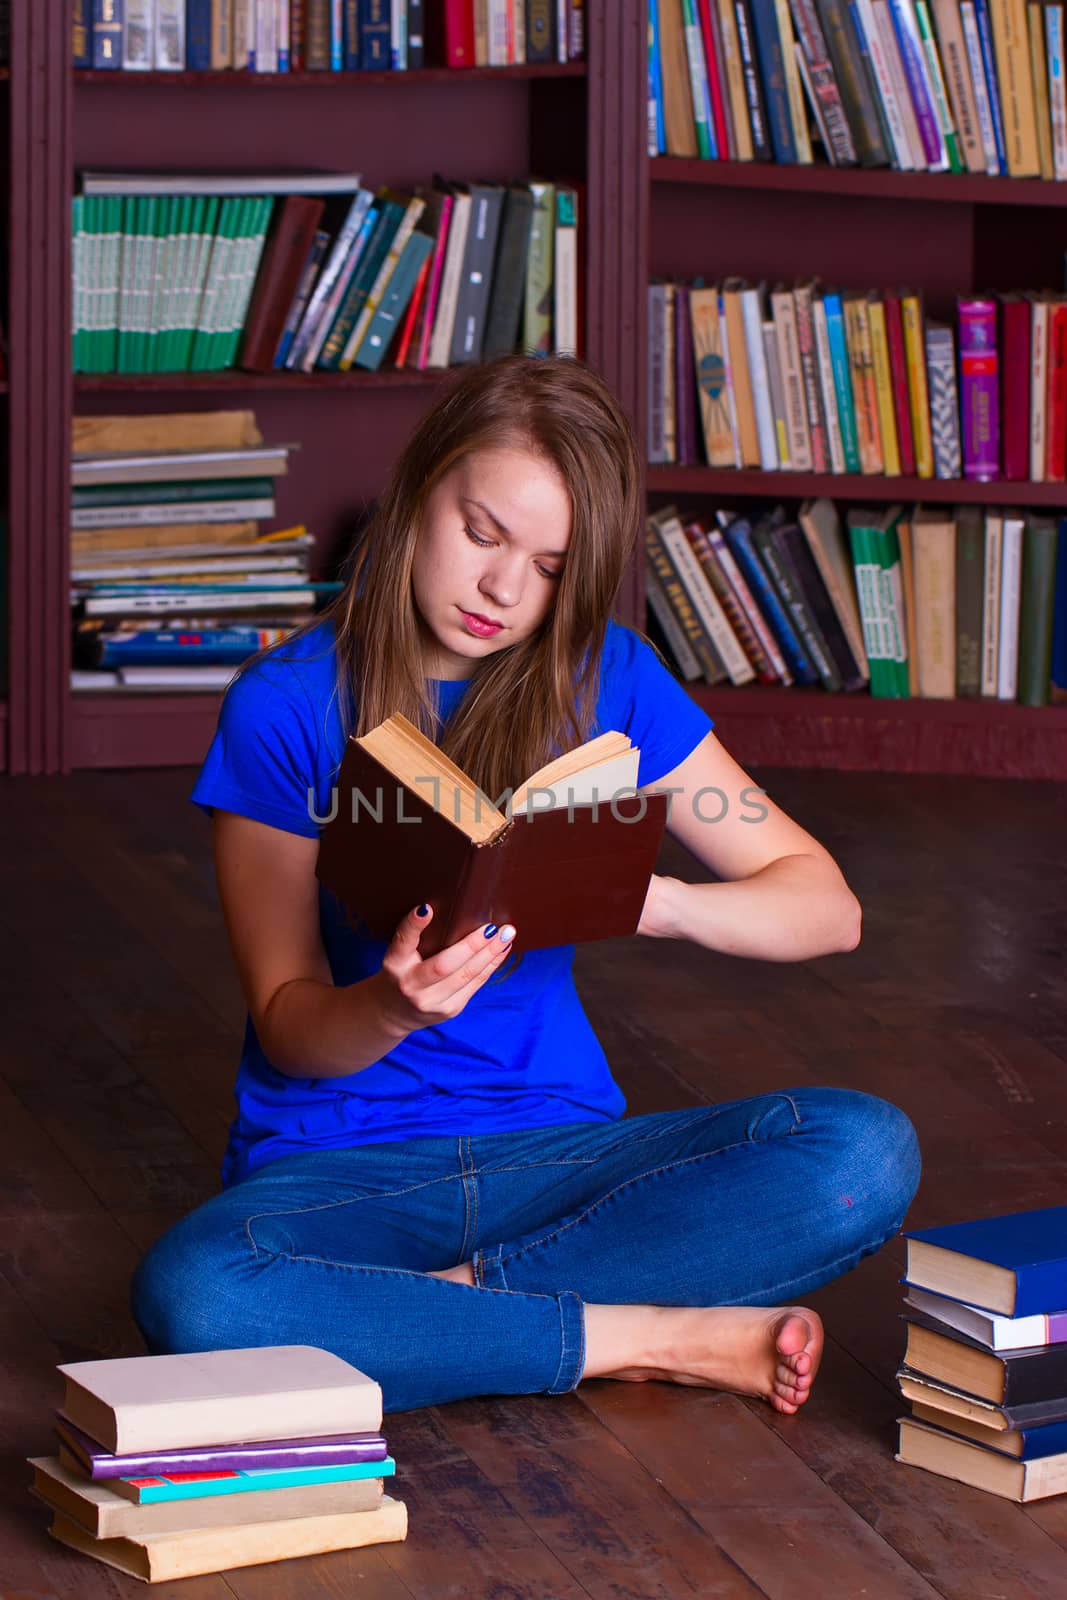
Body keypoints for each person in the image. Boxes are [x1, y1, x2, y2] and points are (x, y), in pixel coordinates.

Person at [131, 355, 920, 1417]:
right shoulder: (284, 708)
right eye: (482, 532)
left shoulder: (609, 680)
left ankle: (441, 1315)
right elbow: (286, 1027)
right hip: (343, 1171)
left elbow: (825, 907)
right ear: (417, 493)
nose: (503, 591)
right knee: (196, 1296)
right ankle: (642, 1335)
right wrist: (389, 1006)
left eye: (549, 566)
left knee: (860, 1151)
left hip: (555, 1152)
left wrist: (649, 898)